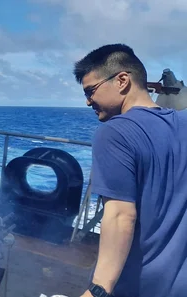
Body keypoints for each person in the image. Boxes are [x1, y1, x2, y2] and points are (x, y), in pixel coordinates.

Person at [74, 44, 187, 297]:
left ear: (122, 80)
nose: (88, 101)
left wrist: (98, 290)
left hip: (137, 286)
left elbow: (120, 216)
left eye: (91, 91)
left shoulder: (114, 132)